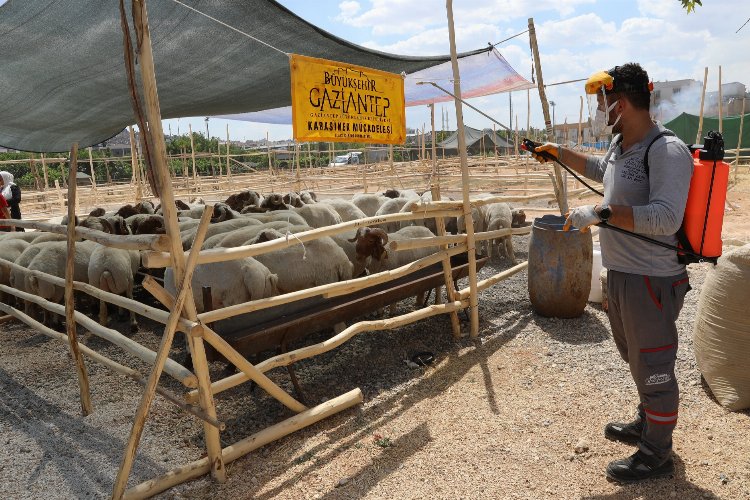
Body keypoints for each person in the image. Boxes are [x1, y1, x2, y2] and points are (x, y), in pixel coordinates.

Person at [531, 63, 693, 483]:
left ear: (619, 104)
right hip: (622, 274)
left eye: (601, 104)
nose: (597, 112)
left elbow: (666, 217)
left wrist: (601, 213)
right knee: (635, 357)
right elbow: (603, 174)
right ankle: (647, 421)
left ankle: (658, 453)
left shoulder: (666, 150)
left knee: (654, 364)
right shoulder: (622, 146)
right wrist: (558, 152)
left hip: (651, 278)